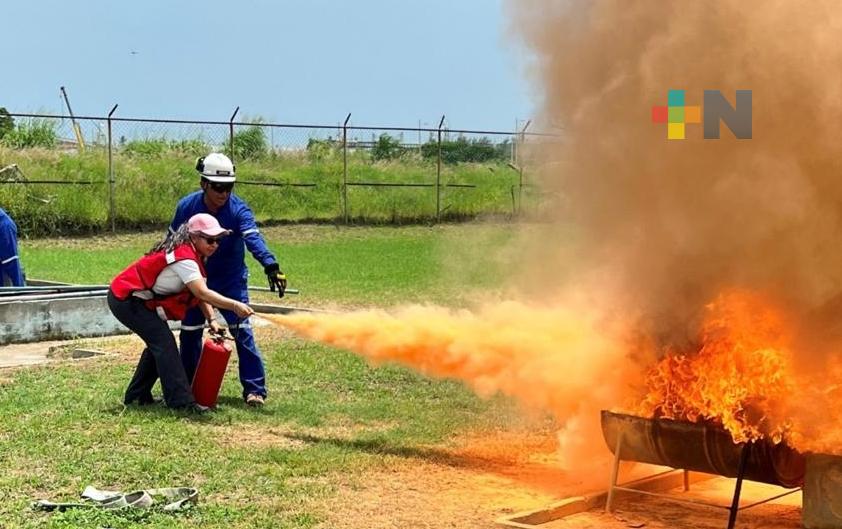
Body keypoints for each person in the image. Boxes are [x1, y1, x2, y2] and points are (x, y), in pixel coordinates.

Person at [170, 152, 287, 407]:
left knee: (242, 333)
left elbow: (252, 238)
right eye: (218, 187)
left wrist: (270, 265)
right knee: (189, 334)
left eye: (229, 187)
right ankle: (188, 388)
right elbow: (171, 244)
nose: (224, 193)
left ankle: (255, 390)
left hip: (230, 280)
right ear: (203, 184)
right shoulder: (186, 208)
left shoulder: (238, 210)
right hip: (194, 281)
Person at [108, 213, 254, 411]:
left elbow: (198, 292)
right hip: (125, 299)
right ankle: (181, 403)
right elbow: (202, 292)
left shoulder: (193, 255)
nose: (215, 245)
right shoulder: (186, 258)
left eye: (218, 240)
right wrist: (235, 306)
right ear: (193, 237)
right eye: (210, 239)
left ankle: (137, 397)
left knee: (159, 343)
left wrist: (212, 319)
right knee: (164, 343)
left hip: (136, 300)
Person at [0, 207, 24, 286]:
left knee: (10, 262)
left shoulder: (4, 226)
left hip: (4, 229)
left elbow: (12, 263)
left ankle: (20, 292)